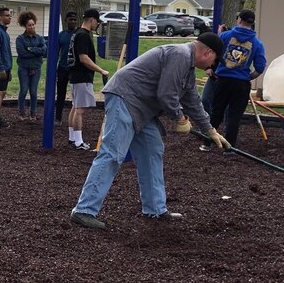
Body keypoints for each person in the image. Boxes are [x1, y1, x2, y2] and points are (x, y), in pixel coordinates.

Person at [70, 33, 229, 229]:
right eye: (215, 60)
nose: (213, 65)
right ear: (208, 52)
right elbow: (166, 94)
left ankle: (155, 208)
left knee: (152, 150)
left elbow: (192, 101)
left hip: (143, 109)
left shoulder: (187, 68)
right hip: (125, 98)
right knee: (112, 154)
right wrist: (179, 118)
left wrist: (211, 130)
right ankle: (84, 210)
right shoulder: (180, 55)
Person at [202, 9, 265, 149]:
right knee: (234, 116)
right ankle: (229, 148)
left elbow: (214, 51)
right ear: (252, 23)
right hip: (241, 84)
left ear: (239, 20)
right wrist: (248, 77)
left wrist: (211, 68)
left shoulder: (225, 36)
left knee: (216, 112)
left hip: (223, 80)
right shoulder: (257, 43)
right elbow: (260, 67)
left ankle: (207, 143)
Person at [67, 9, 108, 151]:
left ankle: (72, 137)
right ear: (92, 20)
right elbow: (83, 58)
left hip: (75, 76)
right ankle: (78, 142)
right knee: (80, 109)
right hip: (82, 76)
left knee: (75, 106)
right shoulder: (83, 36)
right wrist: (101, 70)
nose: (97, 25)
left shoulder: (76, 33)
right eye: (97, 22)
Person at [15, 11, 47, 121]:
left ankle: (33, 113)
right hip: (24, 68)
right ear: (25, 26)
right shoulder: (20, 38)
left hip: (36, 68)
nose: (32, 27)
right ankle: (21, 112)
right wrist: (35, 52)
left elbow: (44, 50)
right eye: (29, 25)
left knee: (33, 91)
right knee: (23, 90)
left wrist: (31, 49)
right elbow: (22, 53)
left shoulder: (39, 38)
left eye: (33, 24)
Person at [54, 11, 78, 123]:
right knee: (61, 93)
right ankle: (58, 117)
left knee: (76, 94)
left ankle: (76, 119)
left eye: (74, 20)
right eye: (70, 19)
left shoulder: (79, 35)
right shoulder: (61, 35)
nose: (73, 21)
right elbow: (55, 52)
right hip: (63, 68)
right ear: (66, 21)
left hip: (75, 69)